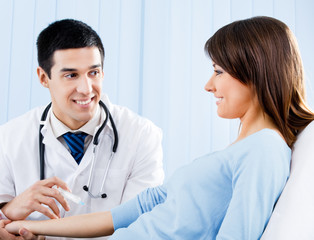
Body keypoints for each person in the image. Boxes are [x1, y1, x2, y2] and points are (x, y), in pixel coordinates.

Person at [4, 16, 314, 239]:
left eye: (218, 71)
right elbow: (117, 217)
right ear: (44, 78)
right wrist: (20, 225)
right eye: (71, 75)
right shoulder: (238, 152)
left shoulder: (264, 149)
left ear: (255, 71)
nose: (208, 85)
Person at [0, 19, 164, 240]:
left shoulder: (142, 135)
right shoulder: (9, 138)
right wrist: (9, 211)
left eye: (93, 73)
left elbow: (140, 224)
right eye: (71, 75)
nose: (86, 89)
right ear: (43, 77)